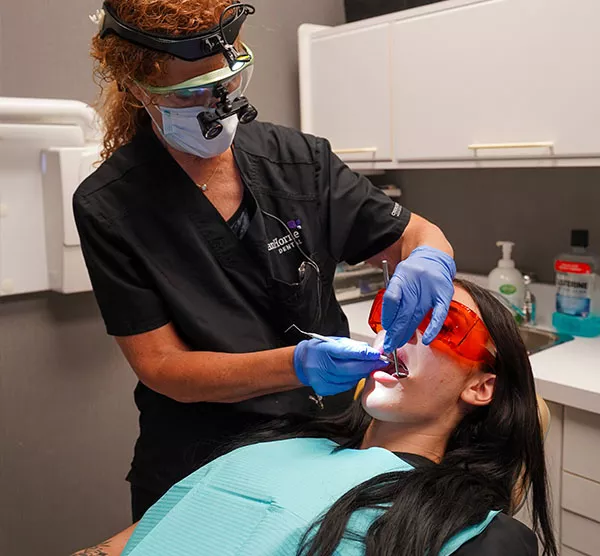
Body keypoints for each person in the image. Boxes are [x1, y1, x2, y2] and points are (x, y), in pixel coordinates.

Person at [75, 0, 456, 520]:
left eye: (228, 83)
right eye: (192, 93)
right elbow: (162, 367)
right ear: (140, 89)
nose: (218, 104)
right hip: (203, 460)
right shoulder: (110, 205)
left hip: (326, 442)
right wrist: (296, 365)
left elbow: (413, 232)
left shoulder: (300, 161)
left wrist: (428, 256)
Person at [72, 280, 557, 556]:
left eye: (440, 324)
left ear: (481, 386)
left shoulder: (476, 536)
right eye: (396, 314)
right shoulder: (269, 448)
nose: (400, 331)